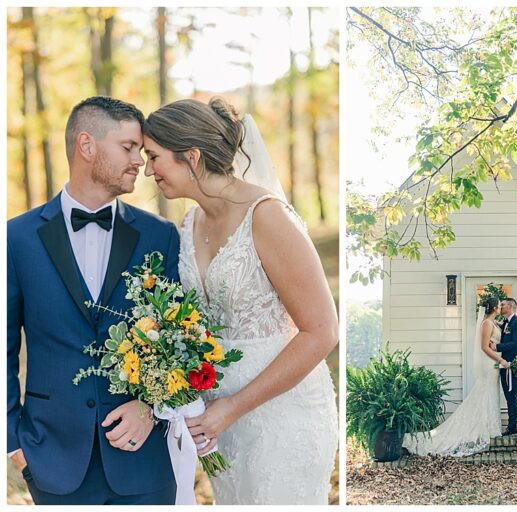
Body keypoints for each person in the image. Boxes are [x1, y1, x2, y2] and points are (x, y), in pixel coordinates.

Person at [142, 98, 338, 504]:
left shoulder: (266, 216)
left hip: (282, 412)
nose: (148, 170)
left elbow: (322, 332)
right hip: (218, 422)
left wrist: (233, 406)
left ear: (191, 156)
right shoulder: (190, 223)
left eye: (154, 157)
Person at [7, 96, 178, 504]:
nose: (140, 161)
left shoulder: (161, 236)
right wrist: (14, 443)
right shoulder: (15, 239)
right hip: (52, 461)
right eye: (128, 147)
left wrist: (151, 406)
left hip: (146, 462)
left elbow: (177, 335)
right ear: (87, 146)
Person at [403, 297, 506, 456]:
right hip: (489, 363)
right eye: (499, 305)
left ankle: (490, 425)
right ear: (493, 308)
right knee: (485, 392)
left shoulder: (492, 323)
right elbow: (484, 347)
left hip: (493, 365)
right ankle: (484, 426)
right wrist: (501, 359)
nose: (501, 307)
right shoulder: (486, 324)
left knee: (490, 393)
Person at [495, 298, 517, 438]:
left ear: (510, 307)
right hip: (504, 365)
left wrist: (497, 347)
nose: (501, 307)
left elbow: (516, 344)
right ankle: (512, 427)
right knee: (509, 398)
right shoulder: (504, 323)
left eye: (503, 305)